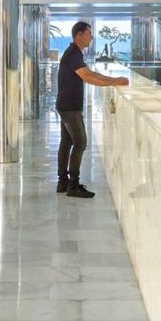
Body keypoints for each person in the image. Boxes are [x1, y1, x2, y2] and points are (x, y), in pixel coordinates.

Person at [57, 21, 129, 198]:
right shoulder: (73, 53)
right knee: (80, 143)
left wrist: (114, 79)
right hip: (70, 107)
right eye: (89, 34)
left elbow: (91, 73)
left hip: (66, 105)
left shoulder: (75, 53)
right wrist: (114, 81)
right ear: (79, 35)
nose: (91, 37)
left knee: (67, 143)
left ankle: (63, 182)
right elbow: (88, 77)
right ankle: (73, 185)